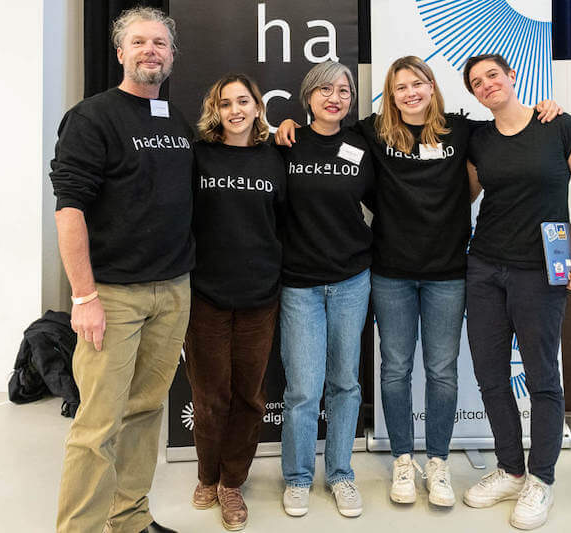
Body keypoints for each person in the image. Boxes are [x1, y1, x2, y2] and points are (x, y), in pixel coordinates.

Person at [276, 55, 562, 509]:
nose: (410, 92)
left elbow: (508, 130)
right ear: (389, 95)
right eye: (399, 86)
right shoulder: (370, 133)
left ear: (432, 86)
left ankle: (439, 463)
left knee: (442, 372)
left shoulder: (461, 130)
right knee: (394, 370)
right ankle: (405, 461)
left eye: (418, 83)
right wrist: (289, 123)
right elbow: (321, 135)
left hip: (448, 273)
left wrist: (546, 111)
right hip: (390, 272)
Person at [50, 7, 193, 533]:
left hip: (173, 290)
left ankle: (130, 517)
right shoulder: (92, 117)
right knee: (97, 426)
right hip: (112, 296)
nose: (150, 50)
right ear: (120, 53)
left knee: (145, 412)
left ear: (172, 54)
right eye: (139, 42)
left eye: (159, 42)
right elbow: (70, 208)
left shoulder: (177, 122)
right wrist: (83, 296)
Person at [461, 53, 571, 530]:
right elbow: (463, 197)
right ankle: (510, 468)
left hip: (542, 271)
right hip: (483, 269)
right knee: (490, 375)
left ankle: (541, 478)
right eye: (477, 83)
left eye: (492, 76)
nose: (486, 86)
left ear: (512, 76)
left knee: (542, 378)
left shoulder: (558, 125)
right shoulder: (479, 140)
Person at [184, 74, 285, 531]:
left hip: (260, 298)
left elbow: (285, 223)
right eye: (226, 104)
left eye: (243, 101)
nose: (235, 110)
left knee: (249, 396)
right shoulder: (199, 156)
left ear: (258, 106)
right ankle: (207, 474)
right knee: (209, 398)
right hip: (205, 296)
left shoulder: (276, 158)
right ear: (216, 111)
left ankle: (231, 484)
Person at [277, 60, 374, 519]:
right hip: (300, 285)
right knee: (302, 389)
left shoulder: (362, 144)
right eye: (326, 90)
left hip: (352, 280)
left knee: (345, 383)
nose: (335, 98)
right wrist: (283, 127)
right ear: (308, 95)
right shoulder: (287, 143)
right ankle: (297, 477)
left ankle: (340, 474)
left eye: (344, 91)